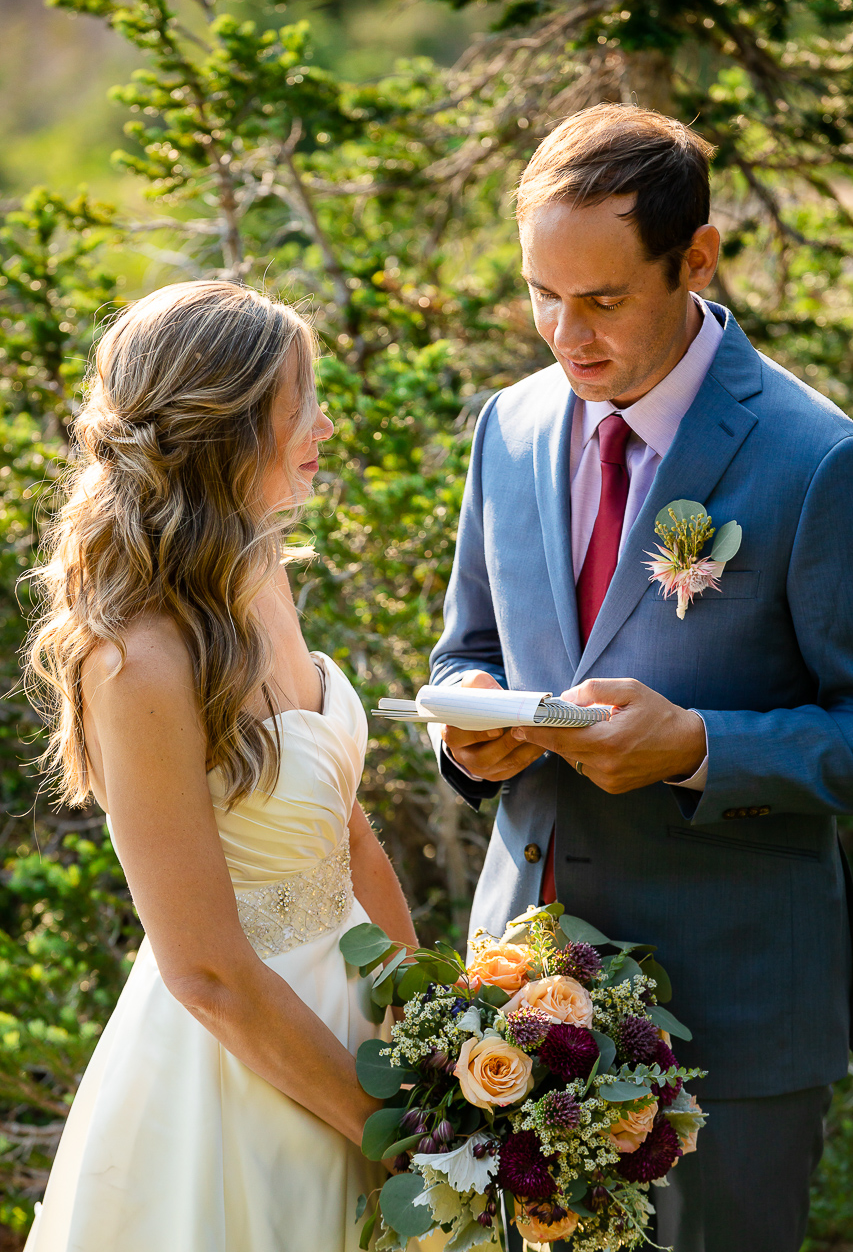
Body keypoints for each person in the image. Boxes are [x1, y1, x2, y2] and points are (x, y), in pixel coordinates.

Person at [430, 104, 853, 1252]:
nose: (565, 334)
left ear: (697, 257)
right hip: (520, 1002)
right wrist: (464, 735)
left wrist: (702, 746)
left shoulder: (816, 456)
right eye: (540, 294)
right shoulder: (508, 426)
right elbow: (463, 648)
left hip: (733, 1016)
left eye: (603, 299)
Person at [24, 281, 417, 1252]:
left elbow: (342, 823)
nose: (323, 424)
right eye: (301, 403)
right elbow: (203, 969)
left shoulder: (260, 565)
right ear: (228, 425)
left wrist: (429, 1028)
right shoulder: (137, 657)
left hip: (357, 1021)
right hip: (241, 1067)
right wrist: (381, 1134)